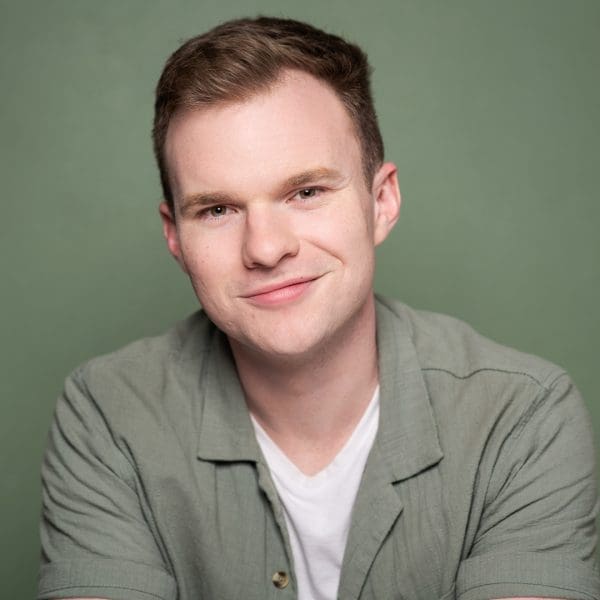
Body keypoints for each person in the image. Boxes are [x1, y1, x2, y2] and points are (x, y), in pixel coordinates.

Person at [38, 16, 599, 600]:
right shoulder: (107, 416)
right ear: (175, 235)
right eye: (217, 210)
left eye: (306, 193)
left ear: (381, 202)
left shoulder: (521, 419)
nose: (265, 247)